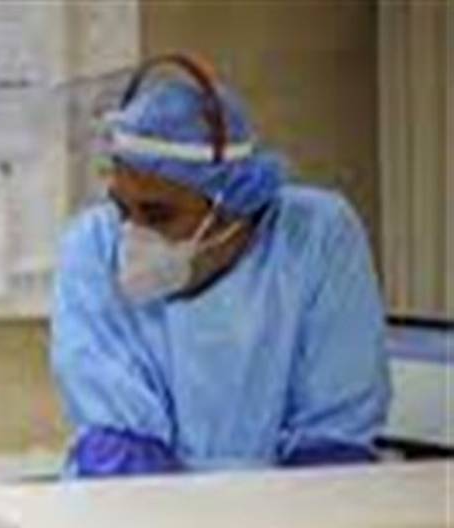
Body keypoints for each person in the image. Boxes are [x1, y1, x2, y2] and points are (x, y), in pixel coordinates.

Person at [51, 54, 390, 477]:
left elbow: (333, 444)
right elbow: (123, 450)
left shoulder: (314, 238)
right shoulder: (93, 247)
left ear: (232, 207)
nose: (132, 234)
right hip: (138, 502)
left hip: (295, 505)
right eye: (122, 209)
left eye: (158, 215)